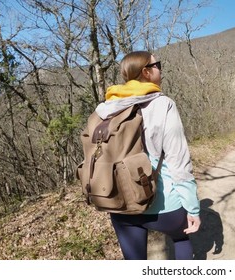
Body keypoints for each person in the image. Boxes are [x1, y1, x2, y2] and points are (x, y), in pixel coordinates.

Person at [94, 51, 201, 260]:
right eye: (157, 64)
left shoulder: (106, 108)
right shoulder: (163, 104)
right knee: (180, 239)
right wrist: (193, 208)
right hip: (163, 203)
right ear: (146, 72)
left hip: (120, 202)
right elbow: (178, 161)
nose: (160, 69)